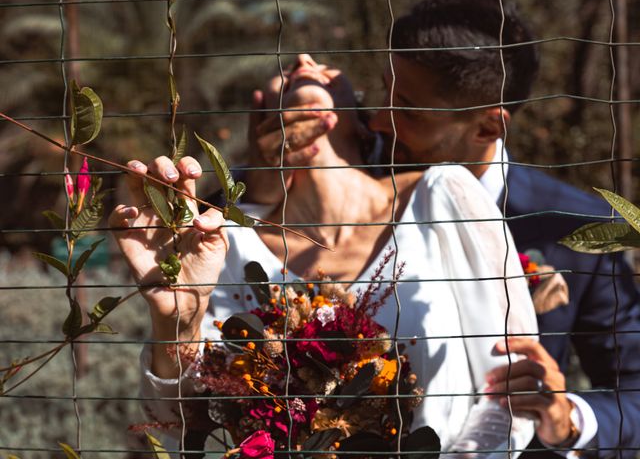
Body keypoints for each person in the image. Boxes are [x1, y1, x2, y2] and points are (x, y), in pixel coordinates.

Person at [245, 0, 640, 459]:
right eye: (384, 88)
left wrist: (567, 417)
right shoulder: (353, 174)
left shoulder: (569, 227)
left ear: (488, 127)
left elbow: (633, 388)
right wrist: (265, 177)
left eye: (408, 109)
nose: (379, 119)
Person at [110, 58, 539, 457]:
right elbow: (178, 424)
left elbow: (514, 392)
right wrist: (177, 320)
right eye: (284, 70)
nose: (302, 63)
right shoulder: (226, 242)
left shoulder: (445, 195)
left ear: (363, 121)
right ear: (261, 124)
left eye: (326, 66)